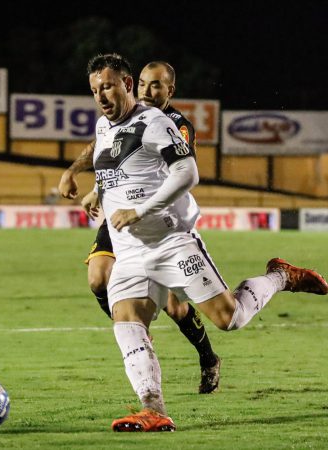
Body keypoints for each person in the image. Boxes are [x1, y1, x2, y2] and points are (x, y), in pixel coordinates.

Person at [83, 54, 328, 432]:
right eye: (96, 89)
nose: (102, 95)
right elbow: (114, 165)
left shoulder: (155, 123)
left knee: (228, 318)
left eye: (109, 86)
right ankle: (154, 409)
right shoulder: (103, 127)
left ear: (127, 85)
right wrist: (96, 192)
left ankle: (280, 276)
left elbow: (187, 172)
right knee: (127, 320)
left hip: (171, 241)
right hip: (130, 251)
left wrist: (141, 209)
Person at [60, 60, 222, 396]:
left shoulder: (173, 125)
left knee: (177, 307)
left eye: (157, 86)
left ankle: (208, 357)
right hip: (120, 218)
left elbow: (173, 169)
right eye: (145, 84)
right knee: (97, 277)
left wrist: (141, 205)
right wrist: (90, 184)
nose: (149, 91)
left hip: (156, 223)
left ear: (170, 91)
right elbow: (109, 153)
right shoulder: (118, 119)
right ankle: (139, 333)